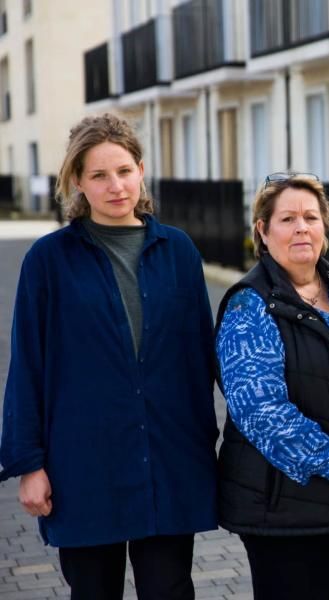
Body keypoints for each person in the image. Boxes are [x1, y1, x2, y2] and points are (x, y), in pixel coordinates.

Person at [0, 113, 218, 599]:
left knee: (171, 589)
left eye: (123, 171)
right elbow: (27, 365)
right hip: (83, 464)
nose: (115, 186)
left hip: (169, 456)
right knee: (93, 590)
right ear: (77, 180)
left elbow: (205, 353)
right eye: (99, 175)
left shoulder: (178, 250)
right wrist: (29, 465)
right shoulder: (49, 260)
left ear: (141, 170)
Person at [214, 172, 329, 599]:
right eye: (288, 219)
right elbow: (258, 409)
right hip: (291, 510)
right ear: (263, 230)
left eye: (311, 218)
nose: (301, 228)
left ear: (325, 228)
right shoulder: (250, 304)